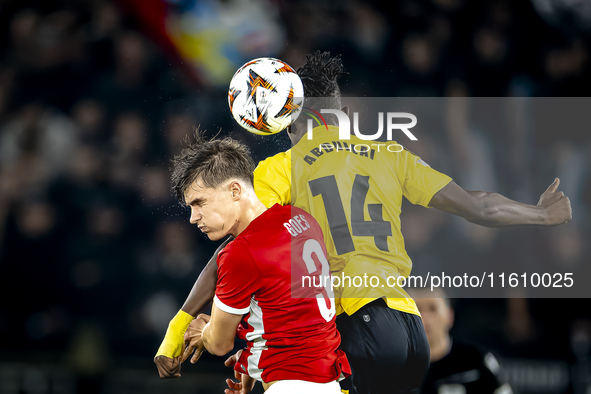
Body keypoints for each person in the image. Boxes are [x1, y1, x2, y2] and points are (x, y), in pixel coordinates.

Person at [156, 52, 572, 393]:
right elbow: (477, 206)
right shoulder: (392, 154)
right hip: (410, 333)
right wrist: (540, 214)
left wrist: (177, 330)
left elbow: (238, 252)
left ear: (291, 119)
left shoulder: (282, 167)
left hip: (357, 327)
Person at [156, 133, 350, 394]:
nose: (193, 217)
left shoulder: (241, 253)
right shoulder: (302, 219)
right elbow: (290, 313)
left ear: (235, 190)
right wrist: (253, 360)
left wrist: (204, 331)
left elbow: (219, 344)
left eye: (199, 203)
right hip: (326, 382)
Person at [414, 290, 512, 394]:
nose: (424, 317)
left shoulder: (476, 362)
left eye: (432, 309)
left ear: (449, 315)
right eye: (417, 309)